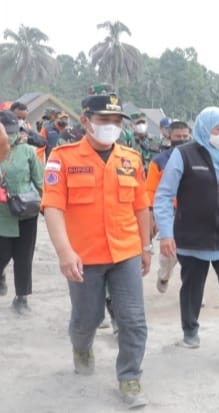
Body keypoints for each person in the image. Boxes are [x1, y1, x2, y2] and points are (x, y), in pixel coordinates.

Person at [41, 93, 150, 408]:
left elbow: (141, 206)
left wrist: (146, 246)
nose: (111, 126)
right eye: (104, 120)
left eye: (116, 121)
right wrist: (64, 252)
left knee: (133, 319)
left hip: (125, 252)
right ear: (86, 121)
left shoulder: (131, 159)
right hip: (84, 256)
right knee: (87, 319)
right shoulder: (62, 158)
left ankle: (129, 377)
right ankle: (81, 346)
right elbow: (53, 207)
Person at [154, 106, 219, 371]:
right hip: (192, 238)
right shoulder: (183, 155)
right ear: (204, 129)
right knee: (192, 287)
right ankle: (190, 330)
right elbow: (164, 196)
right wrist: (166, 233)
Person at [0, 111, 43, 313]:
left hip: (26, 212)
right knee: (3, 254)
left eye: (12, 131)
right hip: (2, 215)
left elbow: (40, 181)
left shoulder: (27, 151)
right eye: (5, 132)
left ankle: (22, 298)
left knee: (24, 256)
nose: (10, 136)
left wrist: (49, 206)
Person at [146, 120, 191, 293]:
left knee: (193, 255)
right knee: (169, 254)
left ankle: (193, 290)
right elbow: (150, 190)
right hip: (169, 212)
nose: (182, 140)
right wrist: (152, 215)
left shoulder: (196, 158)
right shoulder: (159, 161)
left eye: (185, 136)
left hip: (192, 211)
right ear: (169, 137)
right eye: (178, 136)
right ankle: (164, 275)